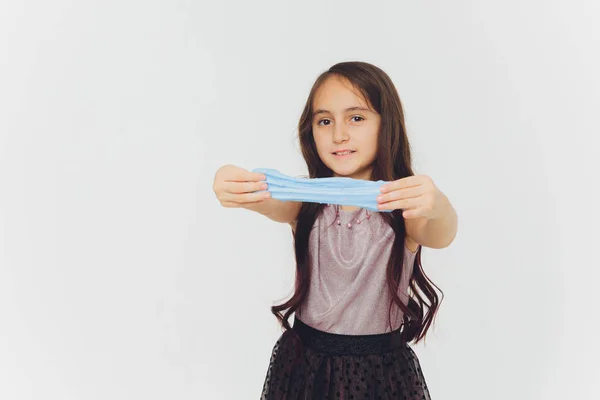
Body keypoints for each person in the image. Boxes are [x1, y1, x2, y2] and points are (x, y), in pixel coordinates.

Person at [212, 61, 458, 399]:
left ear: (386, 125)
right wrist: (230, 180)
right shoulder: (304, 201)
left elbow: (440, 233)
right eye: (324, 121)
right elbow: (264, 197)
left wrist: (439, 205)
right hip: (304, 364)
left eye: (356, 118)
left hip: (379, 372)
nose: (339, 134)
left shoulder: (404, 206)